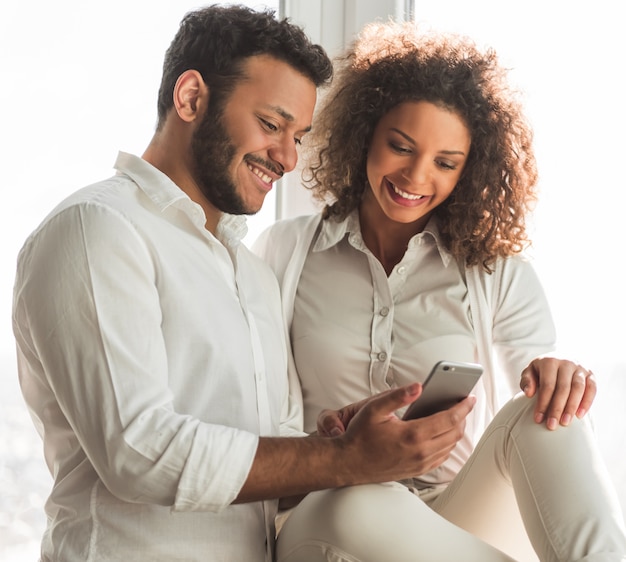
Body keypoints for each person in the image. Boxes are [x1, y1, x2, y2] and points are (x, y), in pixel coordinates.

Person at [11, 7, 479, 562]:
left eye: (299, 135)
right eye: (272, 124)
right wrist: (343, 459)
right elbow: (138, 453)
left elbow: (266, 473)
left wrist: (333, 444)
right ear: (190, 99)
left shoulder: (251, 274)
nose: (287, 157)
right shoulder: (98, 229)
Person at [254, 21, 626, 562]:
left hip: (449, 515)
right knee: (358, 503)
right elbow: (253, 424)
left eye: (445, 163)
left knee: (548, 417)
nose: (416, 176)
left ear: (467, 172)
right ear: (365, 136)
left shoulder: (497, 273)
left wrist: (556, 376)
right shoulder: (283, 254)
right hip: (329, 513)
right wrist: (333, 446)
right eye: (400, 147)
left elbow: (538, 383)